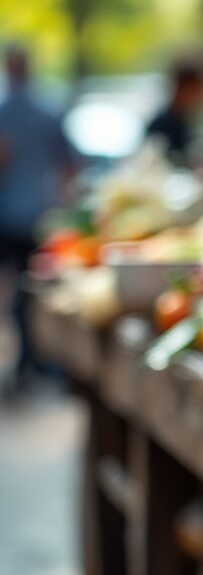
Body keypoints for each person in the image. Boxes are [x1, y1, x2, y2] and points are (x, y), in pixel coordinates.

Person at [0, 45, 74, 388]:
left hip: (8, 215)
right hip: (37, 216)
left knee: (16, 287)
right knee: (30, 288)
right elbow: (70, 165)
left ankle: (28, 355)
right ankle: (32, 355)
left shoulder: (4, 112)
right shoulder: (48, 111)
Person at [144, 57, 203, 163]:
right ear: (182, 87)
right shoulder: (161, 125)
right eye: (195, 90)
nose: (200, 97)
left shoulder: (187, 122)